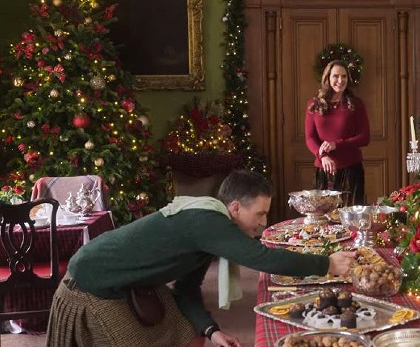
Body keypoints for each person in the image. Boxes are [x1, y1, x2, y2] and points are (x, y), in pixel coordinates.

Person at [46, 170, 357, 347]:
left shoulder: (210, 226)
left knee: (187, 330)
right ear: (235, 208)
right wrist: (326, 263)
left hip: (129, 282)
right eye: (260, 214)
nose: (263, 223)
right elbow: (262, 258)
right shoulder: (207, 221)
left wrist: (212, 330)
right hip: (91, 283)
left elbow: (186, 289)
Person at [305, 60, 370, 205]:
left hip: (351, 170)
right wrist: (323, 156)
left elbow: (365, 138)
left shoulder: (356, 104)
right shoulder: (313, 105)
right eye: (335, 76)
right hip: (324, 170)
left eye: (344, 76)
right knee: (324, 219)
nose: (340, 81)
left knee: (350, 219)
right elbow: (310, 138)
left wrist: (336, 144)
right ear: (327, 78)